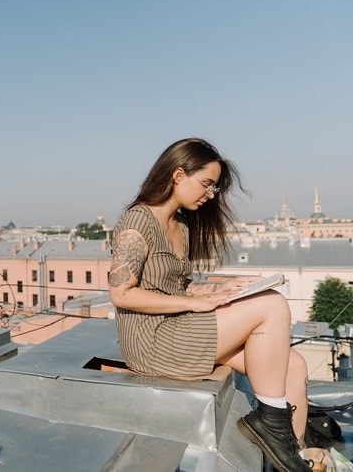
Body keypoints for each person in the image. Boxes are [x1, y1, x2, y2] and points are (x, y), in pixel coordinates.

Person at [108, 138, 310, 472]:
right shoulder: (138, 221)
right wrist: (201, 306)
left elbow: (176, 283)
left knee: (295, 365)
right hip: (151, 341)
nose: (210, 194)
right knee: (272, 305)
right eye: (206, 184)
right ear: (177, 174)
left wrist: (216, 289)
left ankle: (290, 457)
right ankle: (271, 426)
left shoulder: (180, 225)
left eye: (214, 188)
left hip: (178, 328)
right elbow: (121, 294)